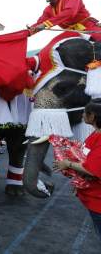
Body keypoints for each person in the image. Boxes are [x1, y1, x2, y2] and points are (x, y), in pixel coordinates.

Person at [54, 98, 101, 241]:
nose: (82, 115)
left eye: (84, 112)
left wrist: (67, 163)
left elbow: (93, 170)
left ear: (92, 116)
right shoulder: (96, 133)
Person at [29, 0, 101, 41]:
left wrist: (45, 24)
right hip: (71, 33)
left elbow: (69, 12)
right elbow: (40, 23)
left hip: (88, 27)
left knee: (98, 39)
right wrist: (30, 30)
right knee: (51, 47)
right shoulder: (48, 9)